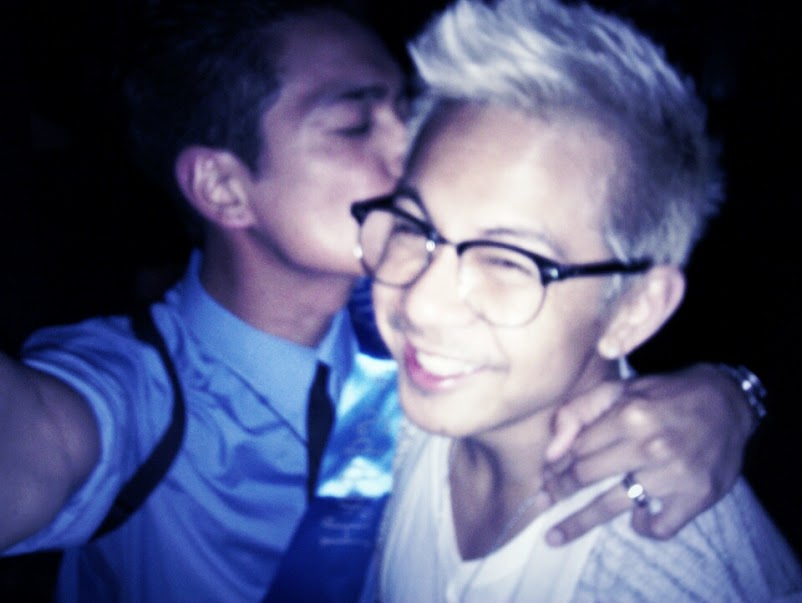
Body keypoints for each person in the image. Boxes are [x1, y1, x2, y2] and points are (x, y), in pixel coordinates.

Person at [0, 0, 767, 600]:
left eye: (405, 109)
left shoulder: (415, 331)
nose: (413, 150)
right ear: (224, 187)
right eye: (353, 124)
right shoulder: (136, 387)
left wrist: (730, 392)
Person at [363, 0, 802, 600]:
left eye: (508, 260)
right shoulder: (383, 421)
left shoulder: (663, 577)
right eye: (415, 228)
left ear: (634, 309)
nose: (420, 306)